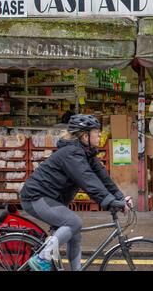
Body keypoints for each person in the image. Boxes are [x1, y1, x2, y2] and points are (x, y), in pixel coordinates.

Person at [20, 114, 132, 271]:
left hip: (52, 199)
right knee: (74, 222)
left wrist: (120, 197)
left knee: (75, 233)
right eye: (96, 131)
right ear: (85, 136)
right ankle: (42, 258)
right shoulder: (71, 153)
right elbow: (88, 180)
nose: (100, 134)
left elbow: (102, 177)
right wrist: (109, 202)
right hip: (36, 198)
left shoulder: (86, 153)